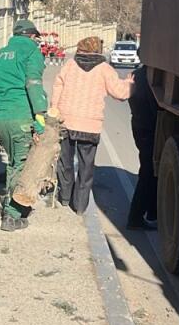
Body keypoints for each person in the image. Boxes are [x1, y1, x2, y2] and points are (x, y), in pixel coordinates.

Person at [0, 19, 48, 231]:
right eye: (36, 39)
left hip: (1, 119)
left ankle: (15, 209)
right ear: (32, 37)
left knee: (13, 162)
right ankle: (11, 215)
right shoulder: (31, 53)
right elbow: (33, 84)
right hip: (22, 117)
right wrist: (40, 118)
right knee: (20, 166)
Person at [49, 36, 134, 214]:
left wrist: (55, 109)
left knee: (65, 162)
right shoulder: (105, 69)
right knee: (86, 167)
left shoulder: (69, 66)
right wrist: (130, 83)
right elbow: (120, 94)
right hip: (90, 125)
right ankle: (80, 206)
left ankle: (65, 198)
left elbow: (58, 88)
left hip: (66, 122)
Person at [126, 64, 158, 229]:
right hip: (148, 128)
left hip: (139, 125)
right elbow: (153, 107)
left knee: (150, 170)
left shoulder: (137, 74)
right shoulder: (150, 76)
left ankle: (152, 211)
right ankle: (135, 217)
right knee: (148, 172)